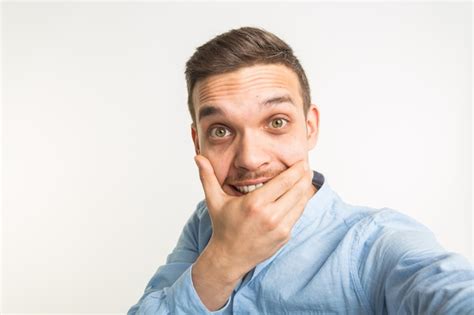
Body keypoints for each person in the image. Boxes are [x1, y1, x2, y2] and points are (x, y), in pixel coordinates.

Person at [128, 27, 473, 314]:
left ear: (309, 128)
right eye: (220, 130)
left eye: (276, 122)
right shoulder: (206, 225)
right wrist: (224, 259)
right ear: (197, 141)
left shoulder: (375, 242)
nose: (249, 159)